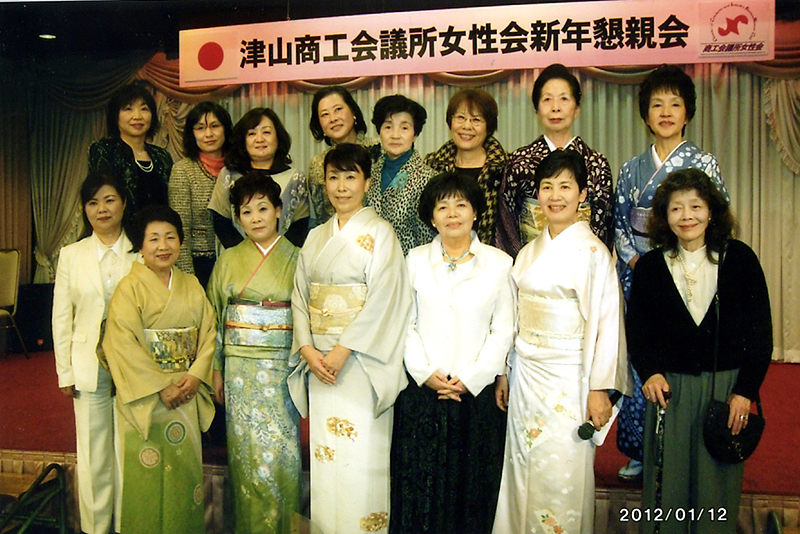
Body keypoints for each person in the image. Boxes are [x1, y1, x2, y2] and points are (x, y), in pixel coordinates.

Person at [628, 168, 771, 534]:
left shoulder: (739, 259)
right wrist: (650, 372)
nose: (686, 216)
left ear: (711, 211)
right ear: (665, 216)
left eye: (695, 206)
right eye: (676, 208)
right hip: (670, 391)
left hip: (724, 390)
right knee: (667, 489)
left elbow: (760, 332)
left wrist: (745, 391)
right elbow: (638, 331)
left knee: (715, 491)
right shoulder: (651, 267)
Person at [493, 150, 629, 534]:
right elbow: (513, 318)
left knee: (561, 467)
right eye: (547, 187)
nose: (555, 196)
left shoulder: (594, 254)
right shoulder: (527, 252)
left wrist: (599, 389)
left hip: (570, 377)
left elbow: (608, 327)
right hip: (526, 374)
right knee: (522, 462)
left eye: (565, 187)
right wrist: (505, 372)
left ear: (582, 194)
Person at [614, 65, 730, 481]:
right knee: (643, 360)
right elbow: (620, 226)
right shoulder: (631, 169)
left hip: (690, 273)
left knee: (685, 362)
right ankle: (642, 450)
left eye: (675, 104)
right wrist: (641, 266)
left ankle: (687, 447)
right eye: (656, 104)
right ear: (645, 114)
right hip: (642, 276)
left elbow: (715, 217)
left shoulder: (704, 163)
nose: (665, 112)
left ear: (687, 113)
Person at [288, 143, 412, 533]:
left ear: (367, 182)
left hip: (360, 363)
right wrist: (307, 349)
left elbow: (386, 299)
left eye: (350, 177)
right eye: (334, 177)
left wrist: (343, 350)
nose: (341, 187)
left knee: (361, 458)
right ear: (324, 183)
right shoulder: (315, 237)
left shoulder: (381, 234)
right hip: (319, 364)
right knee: (326, 459)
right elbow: (300, 296)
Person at [391, 172, 514, 534]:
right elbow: (405, 324)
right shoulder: (414, 260)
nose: (452, 213)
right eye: (442, 207)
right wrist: (425, 372)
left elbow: (503, 330)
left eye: (461, 205)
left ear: (475, 212)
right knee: (420, 488)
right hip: (422, 392)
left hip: (476, 396)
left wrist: (470, 379)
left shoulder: (499, 264)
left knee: (471, 490)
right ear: (431, 217)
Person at [102, 205, 215, 534]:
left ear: (180, 242)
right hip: (147, 396)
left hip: (186, 392)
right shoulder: (129, 288)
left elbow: (209, 333)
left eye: (170, 237)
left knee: (184, 474)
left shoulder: (191, 284)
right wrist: (161, 385)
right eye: (153, 239)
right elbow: (120, 343)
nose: (163, 246)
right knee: (146, 474)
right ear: (140, 245)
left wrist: (196, 375)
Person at [206, 171, 302, 533]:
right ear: (237, 219)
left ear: (279, 211)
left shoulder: (298, 258)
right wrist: (217, 369)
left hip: (282, 366)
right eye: (246, 212)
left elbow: (305, 317)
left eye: (263, 208)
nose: (256, 218)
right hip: (240, 370)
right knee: (246, 453)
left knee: (283, 453)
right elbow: (216, 318)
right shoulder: (228, 259)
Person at [52, 172, 137, 534]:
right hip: (89, 365)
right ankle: (96, 528)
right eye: (93, 202)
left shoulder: (142, 250)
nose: (102, 209)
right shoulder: (71, 255)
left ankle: (127, 525)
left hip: (134, 367)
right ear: (85, 210)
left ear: (123, 204)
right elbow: (61, 316)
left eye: (109, 200)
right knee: (93, 452)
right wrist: (65, 371)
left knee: (129, 451)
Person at [497, 63, 613, 256]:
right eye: (547, 99)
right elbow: (506, 222)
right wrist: (523, 261)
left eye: (564, 99)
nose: (555, 108)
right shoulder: (519, 161)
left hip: (583, 260)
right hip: (531, 261)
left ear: (577, 109)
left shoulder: (596, 163)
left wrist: (592, 260)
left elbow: (604, 226)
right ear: (537, 109)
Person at [208, 107, 309, 248]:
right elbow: (221, 222)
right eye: (252, 134)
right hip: (237, 256)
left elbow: (301, 225)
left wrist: (276, 254)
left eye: (266, 132)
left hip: (285, 258)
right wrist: (245, 254)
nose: (259, 139)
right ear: (243, 141)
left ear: (278, 137)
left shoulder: (296, 178)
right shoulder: (228, 175)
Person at [424, 89, 507, 245]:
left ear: (488, 127)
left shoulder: (506, 168)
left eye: (476, 120)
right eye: (461, 118)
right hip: (442, 253)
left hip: (494, 255)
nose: (467, 126)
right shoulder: (431, 165)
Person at [169, 101, 233, 287]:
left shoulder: (237, 169)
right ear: (192, 133)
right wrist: (187, 280)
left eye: (215, 126)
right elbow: (180, 230)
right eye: (200, 128)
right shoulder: (183, 170)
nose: (208, 134)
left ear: (225, 129)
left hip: (236, 259)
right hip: (200, 264)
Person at [366, 94, 436, 255]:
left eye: (404, 128)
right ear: (379, 132)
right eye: (388, 127)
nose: (395, 135)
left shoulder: (428, 179)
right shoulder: (369, 174)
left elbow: (428, 239)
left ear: (415, 134)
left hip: (409, 265)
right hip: (371, 263)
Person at [89, 81, 172, 216]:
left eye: (144, 109)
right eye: (128, 109)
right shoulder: (104, 150)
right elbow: (103, 198)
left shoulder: (162, 156)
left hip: (159, 228)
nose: (137, 116)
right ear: (115, 116)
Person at [307, 85, 378, 228]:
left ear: (353, 111)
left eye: (338, 109)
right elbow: (321, 218)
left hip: (379, 233)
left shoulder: (379, 150)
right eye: (325, 114)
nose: (333, 119)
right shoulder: (318, 164)